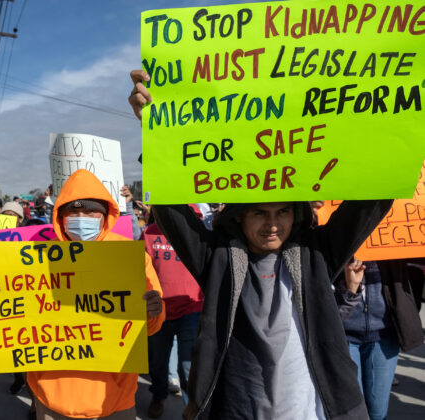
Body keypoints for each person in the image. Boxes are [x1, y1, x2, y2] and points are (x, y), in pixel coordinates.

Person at [129, 69, 393, 419]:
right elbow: (169, 208)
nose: (272, 224)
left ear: (295, 215)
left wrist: (393, 128)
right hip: (235, 408)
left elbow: (372, 201)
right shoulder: (218, 258)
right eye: (259, 213)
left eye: (282, 212)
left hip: (312, 410)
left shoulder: (317, 254)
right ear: (238, 217)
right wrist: (154, 131)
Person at [0, 169, 164, 419]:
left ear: (105, 215)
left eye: (89, 212)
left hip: (115, 401)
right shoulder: (37, 259)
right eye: (73, 213)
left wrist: (153, 311)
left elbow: (152, 328)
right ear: (61, 217)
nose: (81, 218)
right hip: (52, 399)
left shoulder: (130, 257)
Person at [337, 258, 424, 420]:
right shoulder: (334, 241)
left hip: (384, 335)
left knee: (378, 411)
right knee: (350, 412)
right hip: (342, 336)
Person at [143, 208, 204, 418]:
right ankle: (158, 396)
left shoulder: (198, 231)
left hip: (192, 308)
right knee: (158, 363)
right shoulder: (149, 233)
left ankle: (191, 407)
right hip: (158, 311)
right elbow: (138, 268)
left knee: (189, 367)